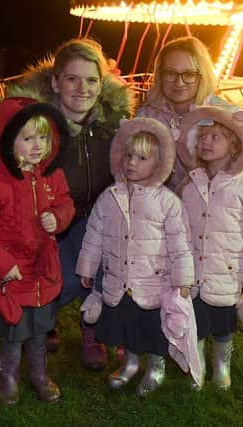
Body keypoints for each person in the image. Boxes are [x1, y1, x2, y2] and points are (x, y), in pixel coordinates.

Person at [0, 38, 136, 371]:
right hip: (43, 224)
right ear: (55, 82)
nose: (82, 88)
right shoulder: (34, 126)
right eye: (71, 79)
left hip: (98, 219)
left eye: (91, 80)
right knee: (59, 279)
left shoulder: (115, 125)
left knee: (104, 271)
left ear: (102, 83)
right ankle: (42, 320)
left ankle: (92, 331)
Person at [0, 98, 75, 404]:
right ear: (7, 139)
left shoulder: (52, 174)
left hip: (43, 272)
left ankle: (39, 376)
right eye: (27, 138)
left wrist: (60, 217)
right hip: (12, 276)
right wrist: (1, 263)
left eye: (43, 137)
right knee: (14, 334)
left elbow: (65, 202)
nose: (37, 146)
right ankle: (8, 377)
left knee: (39, 332)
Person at [75, 117, 196, 397]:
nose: (131, 162)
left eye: (141, 158)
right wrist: (87, 267)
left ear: (159, 164)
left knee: (152, 331)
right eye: (128, 155)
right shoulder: (110, 197)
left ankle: (156, 368)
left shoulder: (167, 203)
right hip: (120, 281)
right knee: (127, 327)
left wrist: (183, 280)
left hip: (153, 284)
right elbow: (94, 234)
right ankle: (130, 363)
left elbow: (181, 245)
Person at [176, 106, 243, 390]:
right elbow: (180, 228)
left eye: (216, 136)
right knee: (196, 320)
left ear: (234, 146)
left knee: (223, 323)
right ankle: (198, 363)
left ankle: (222, 365)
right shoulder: (190, 184)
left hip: (228, 272)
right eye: (203, 135)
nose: (206, 142)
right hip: (194, 271)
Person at [136, 36, 240, 191]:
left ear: (202, 75)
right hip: (159, 208)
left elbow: (236, 179)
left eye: (189, 74)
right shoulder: (147, 116)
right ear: (160, 75)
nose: (179, 83)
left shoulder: (223, 117)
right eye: (170, 73)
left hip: (209, 208)